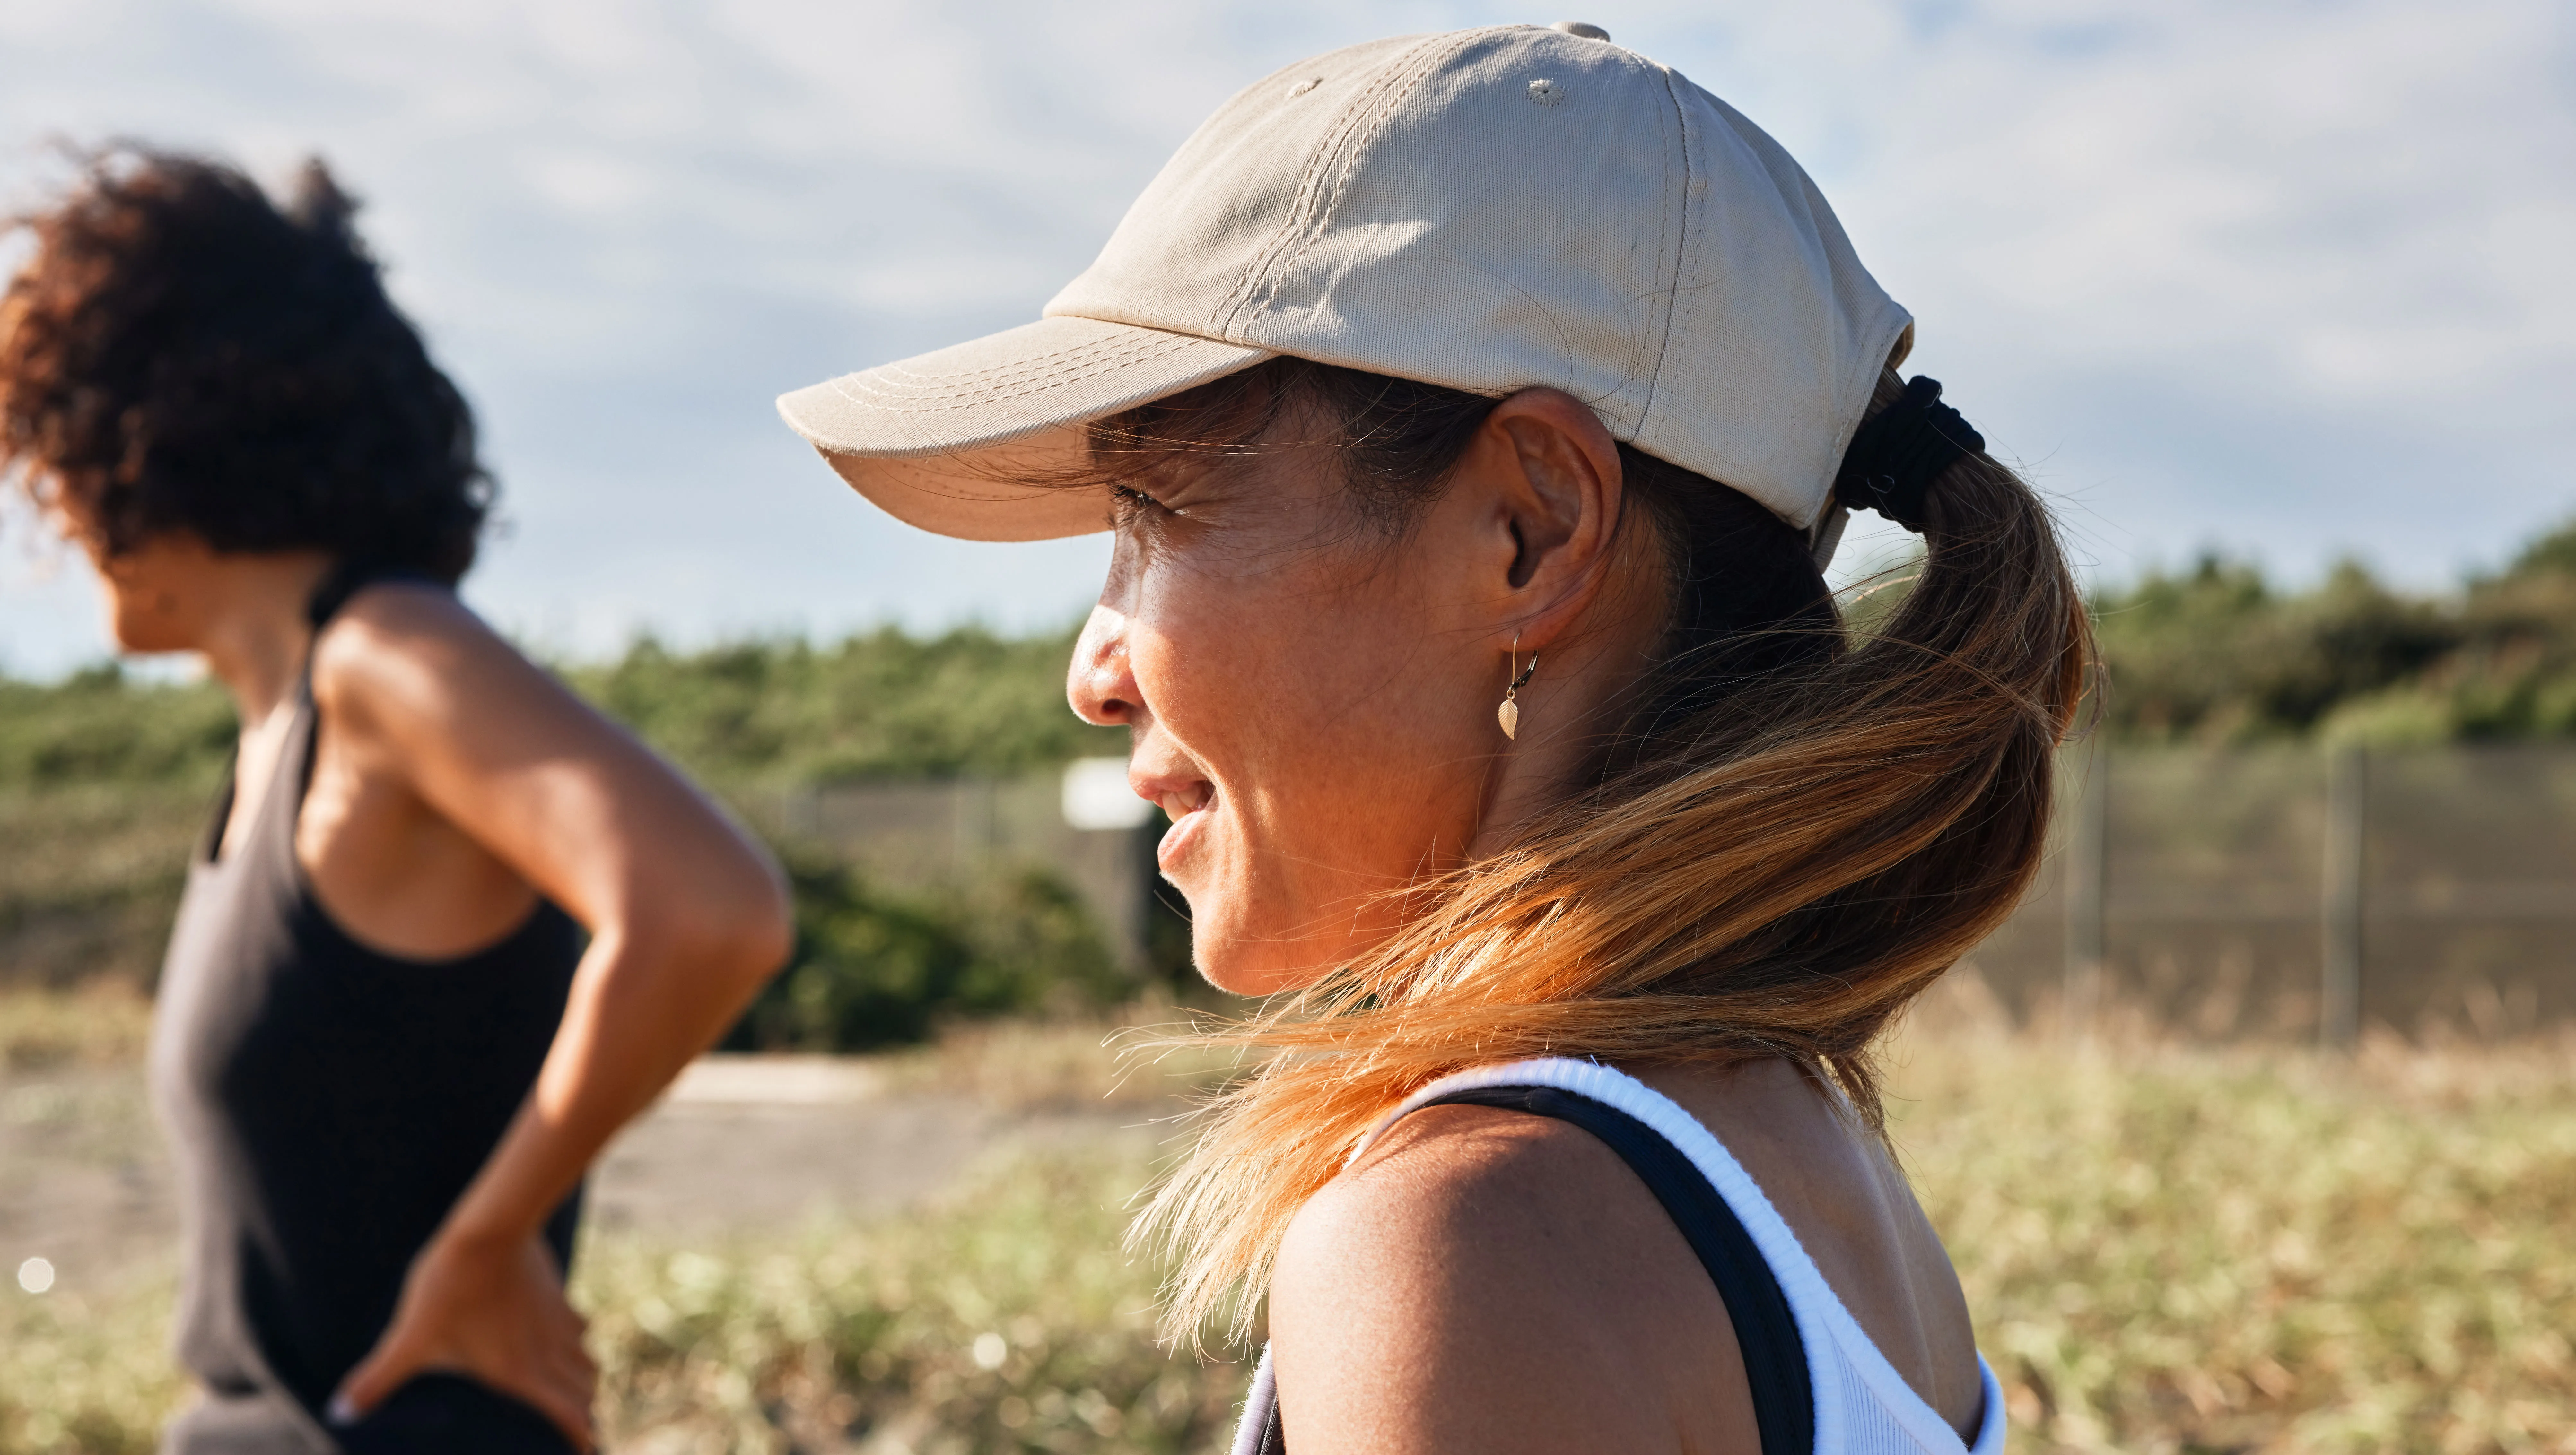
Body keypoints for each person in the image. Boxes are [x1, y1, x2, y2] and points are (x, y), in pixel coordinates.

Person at [775, 23, 2087, 1455]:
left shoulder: (1476, 1233)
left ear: (1529, 529)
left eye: (1152, 512)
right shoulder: (1808, 1173)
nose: (1094, 668)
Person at [0, 150, 795, 1453]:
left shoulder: (380, 653)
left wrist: (484, 1248)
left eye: (56, 452)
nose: (56, 513)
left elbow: (710, 909)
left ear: (139, 441)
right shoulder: (281, 729)